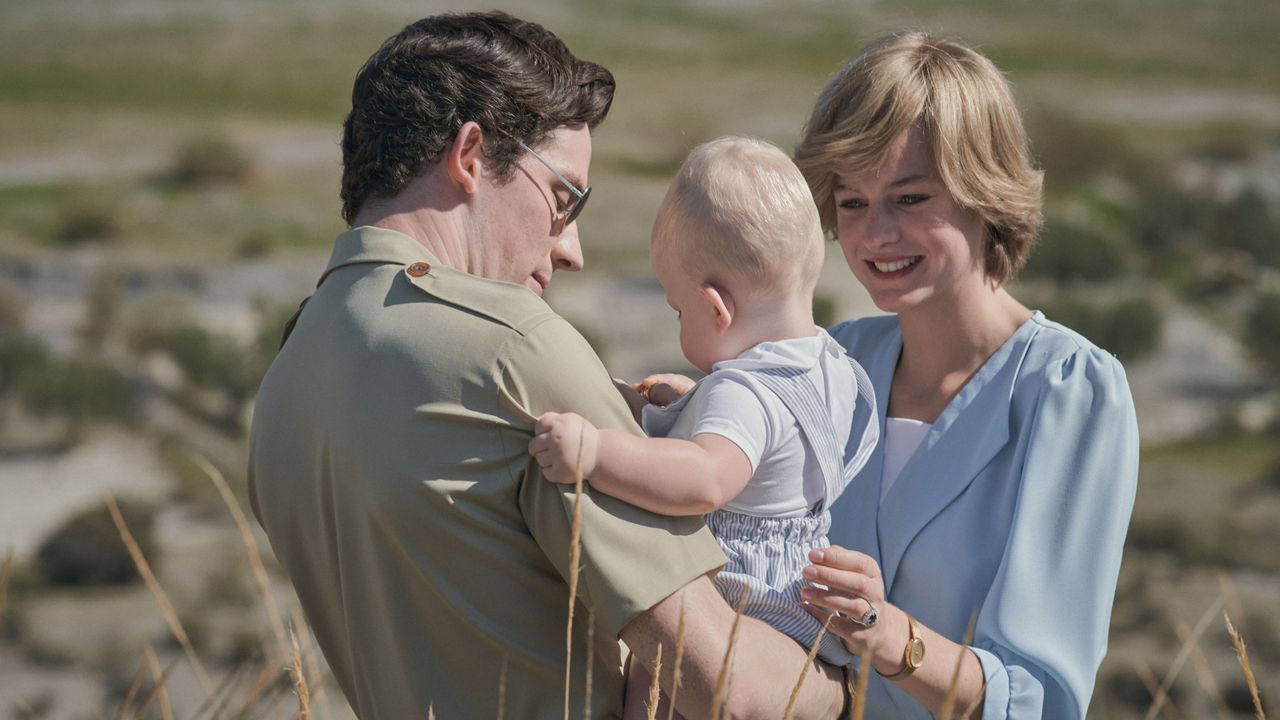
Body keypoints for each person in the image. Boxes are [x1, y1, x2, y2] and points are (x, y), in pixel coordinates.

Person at [247, 12, 844, 719]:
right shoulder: (510, 347)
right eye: (564, 199)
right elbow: (728, 688)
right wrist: (852, 678)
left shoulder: (287, 375)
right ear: (470, 155)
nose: (572, 249)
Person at [791, 31, 1140, 719]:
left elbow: (1037, 698)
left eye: (911, 198)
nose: (874, 235)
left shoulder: (1069, 390)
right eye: (853, 203)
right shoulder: (830, 360)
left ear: (984, 190)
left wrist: (884, 632)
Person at [528, 137, 879, 718]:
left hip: (744, 596)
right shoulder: (828, 363)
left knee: (653, 686)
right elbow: (776, 451)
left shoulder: (743, 394)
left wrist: (594, 452)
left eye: (677, 310)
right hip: (797, 599)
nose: (677, 323)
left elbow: (703, 480)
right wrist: (697, 404)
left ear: (717, 309)